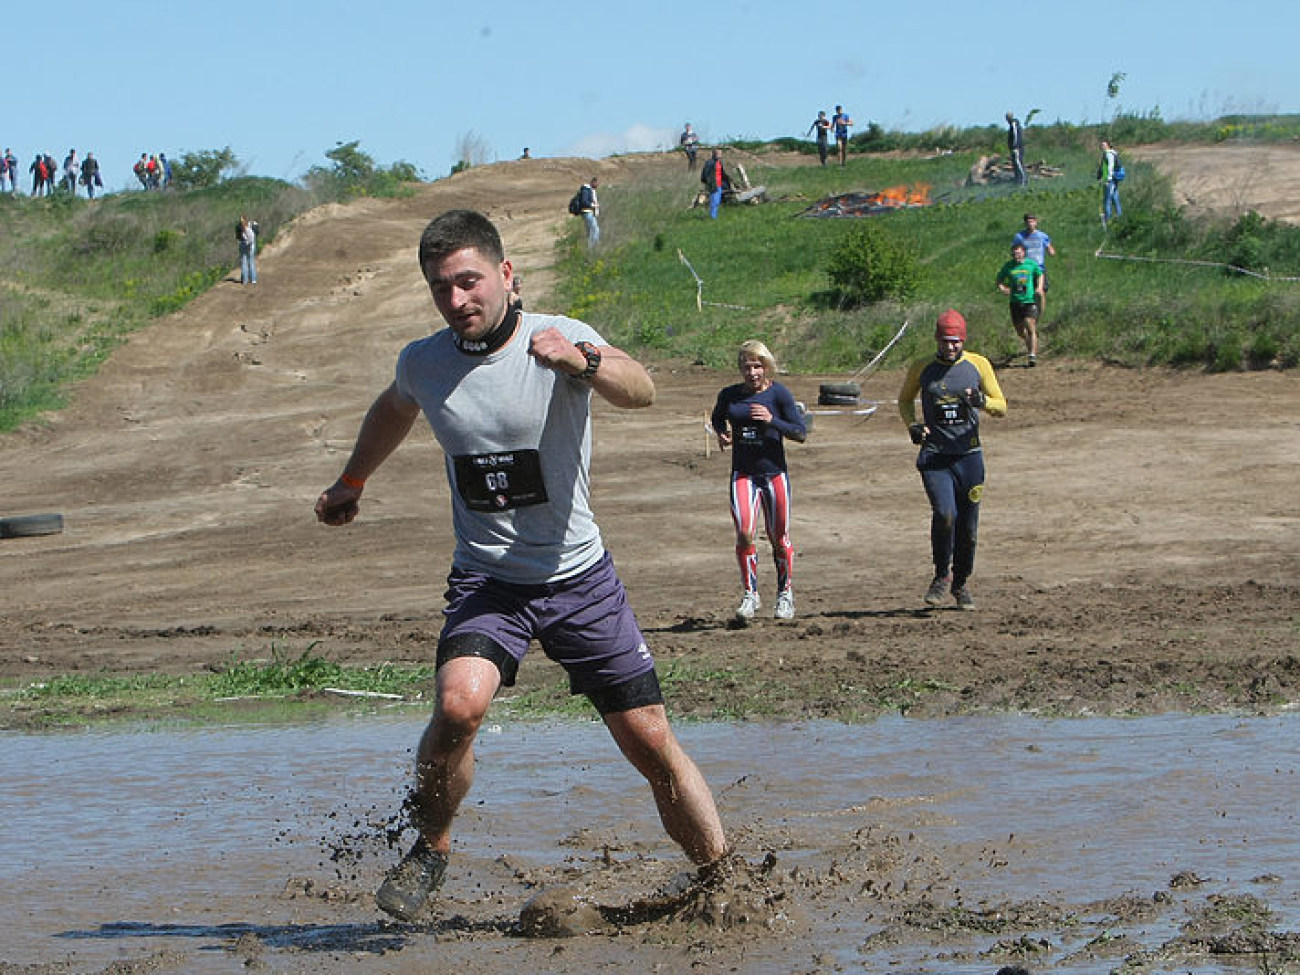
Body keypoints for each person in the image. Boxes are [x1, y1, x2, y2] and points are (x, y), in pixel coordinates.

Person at [314, 208, 728, 922]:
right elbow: (394, 406)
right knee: (457, 705)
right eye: (440, 288)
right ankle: (432, 846)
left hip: (579, 577)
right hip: (489, 581)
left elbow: (643, 386)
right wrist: (352, 482)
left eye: (469, 282)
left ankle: (723, 880)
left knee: (652, 740)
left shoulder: (560, 336)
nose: (456, 301)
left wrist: (584, 361)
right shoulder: (425, 361)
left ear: (506, 274)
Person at [897, 310, 1007, 611]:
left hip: (969, 457)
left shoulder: (978, 364)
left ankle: (961, 583)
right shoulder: (923, 368)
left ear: (964, 340)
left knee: (969, 527)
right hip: (935, 457)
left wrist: (981, 402)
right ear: (936, 338)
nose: (950, 348)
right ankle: (941, 575)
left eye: (956, 342)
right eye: (945, 341)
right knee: (945, 514)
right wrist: (914, 426)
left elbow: (1002, 406)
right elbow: (905, 400)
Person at [710, 340, 807, 621]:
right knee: (744, 532)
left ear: (767, 367)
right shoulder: (729, 395)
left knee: (779, 537)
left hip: (774, 474)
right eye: (746, 366)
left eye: (757, 366)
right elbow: (718, 418)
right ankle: (750, 595)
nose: (752, 373)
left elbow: (800, 432)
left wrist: (771, 420)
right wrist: (722, 433)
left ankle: (785, 594)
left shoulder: (779, 395)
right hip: (743, 474)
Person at [996, 241, 1043, 365]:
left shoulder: (1031, 264)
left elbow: (1040, 274)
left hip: (1029, 300)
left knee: (1030, 325)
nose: (1016, 254)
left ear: (1024, 253)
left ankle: (1032, 355)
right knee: (1020, 331)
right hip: (1015, 302)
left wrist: (1039, 287)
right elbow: (999, 279)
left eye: (1019, 251)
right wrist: (1002, 288)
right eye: (1014, 252)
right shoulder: (1008, 266)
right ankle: (1030, 344)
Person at [1012, 212, 1056, 296]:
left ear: (1036, 222)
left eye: (1032, 222)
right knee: (1023, 292)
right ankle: (1027, 308)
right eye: (1028, 222)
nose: (1030, 224)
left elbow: (1048, 246)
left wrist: (1051, 251)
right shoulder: (1019, 236)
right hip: (1024, 268)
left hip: (1039, 268)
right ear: (1025, 223)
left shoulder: (1042, 236)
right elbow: (1014, 249)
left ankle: (1041, 309)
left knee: (1041, 291)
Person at [700, 148, 732, 220]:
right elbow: (705, 174)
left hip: (719, 184)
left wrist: (728, 179)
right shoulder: (709, 163)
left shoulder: (719, 162)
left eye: (720, 153)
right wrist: (709, 183)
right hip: (713, 184)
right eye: (718, 153)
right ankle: (713, 216)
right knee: (714, 200)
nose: (720, 155)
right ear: (714, 154)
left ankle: (714, 215)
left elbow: (722, 173)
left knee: (717, 201)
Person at [1099, 140, 1122, 226]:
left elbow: (1110, 167)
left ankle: (1107, 220)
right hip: (1113, 179)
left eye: (1104, 145)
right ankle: (1120, 217)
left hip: (1110, 180)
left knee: (1107, 200)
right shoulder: (1112, 153)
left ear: (1108, 146)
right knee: (1115, 198)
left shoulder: (1109, 154)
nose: (1102, 146)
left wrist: (1108, 179)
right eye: (1101, 145)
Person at [576, 175, 600, 248]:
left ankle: (591, 247)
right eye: (597, 183)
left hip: (588, 213)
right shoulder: (586, 190)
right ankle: (593, 247)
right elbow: (584, 202)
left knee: (591, 231)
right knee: (595, 230)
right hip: (587, 213)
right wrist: (593, 205)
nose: (597, 185)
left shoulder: (590, 190)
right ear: (593, 182)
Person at [236, 215, 259, 284]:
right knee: (251, 262)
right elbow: (256, 233)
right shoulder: (251, 225)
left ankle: (245, 280)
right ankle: (253, 279)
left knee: (244, 262)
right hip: (251, 245)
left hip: (242, 244)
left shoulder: (238, 227)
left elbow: (237, 237)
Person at [1005, 112, 1026, 186]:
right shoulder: (1011, 125)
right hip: (1014, 149)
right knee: (1015, 165)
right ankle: (1017, 182)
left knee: (1018, 164)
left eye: (1007, 117)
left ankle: (1023, 181)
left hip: (1017, 149)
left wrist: (1015, 146)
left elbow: (1015, 135)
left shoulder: (1014, 124)